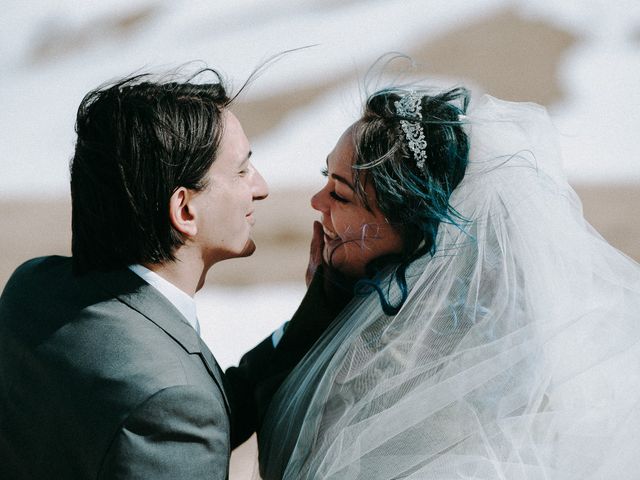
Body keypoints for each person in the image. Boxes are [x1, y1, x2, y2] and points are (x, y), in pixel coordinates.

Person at [258, 87, 640, 479]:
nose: (316, 201)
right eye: (326, 178)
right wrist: (322, 306)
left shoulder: (418, 368)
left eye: (340, 194)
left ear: (408, 223)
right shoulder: (360, 318)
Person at [0, 70, 339, 479]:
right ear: (184, 212)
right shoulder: (171, 402)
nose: (261, 187)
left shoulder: (34, 287)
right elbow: (171, 409)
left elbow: (176, 410)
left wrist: (316, 315)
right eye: (242, 171)